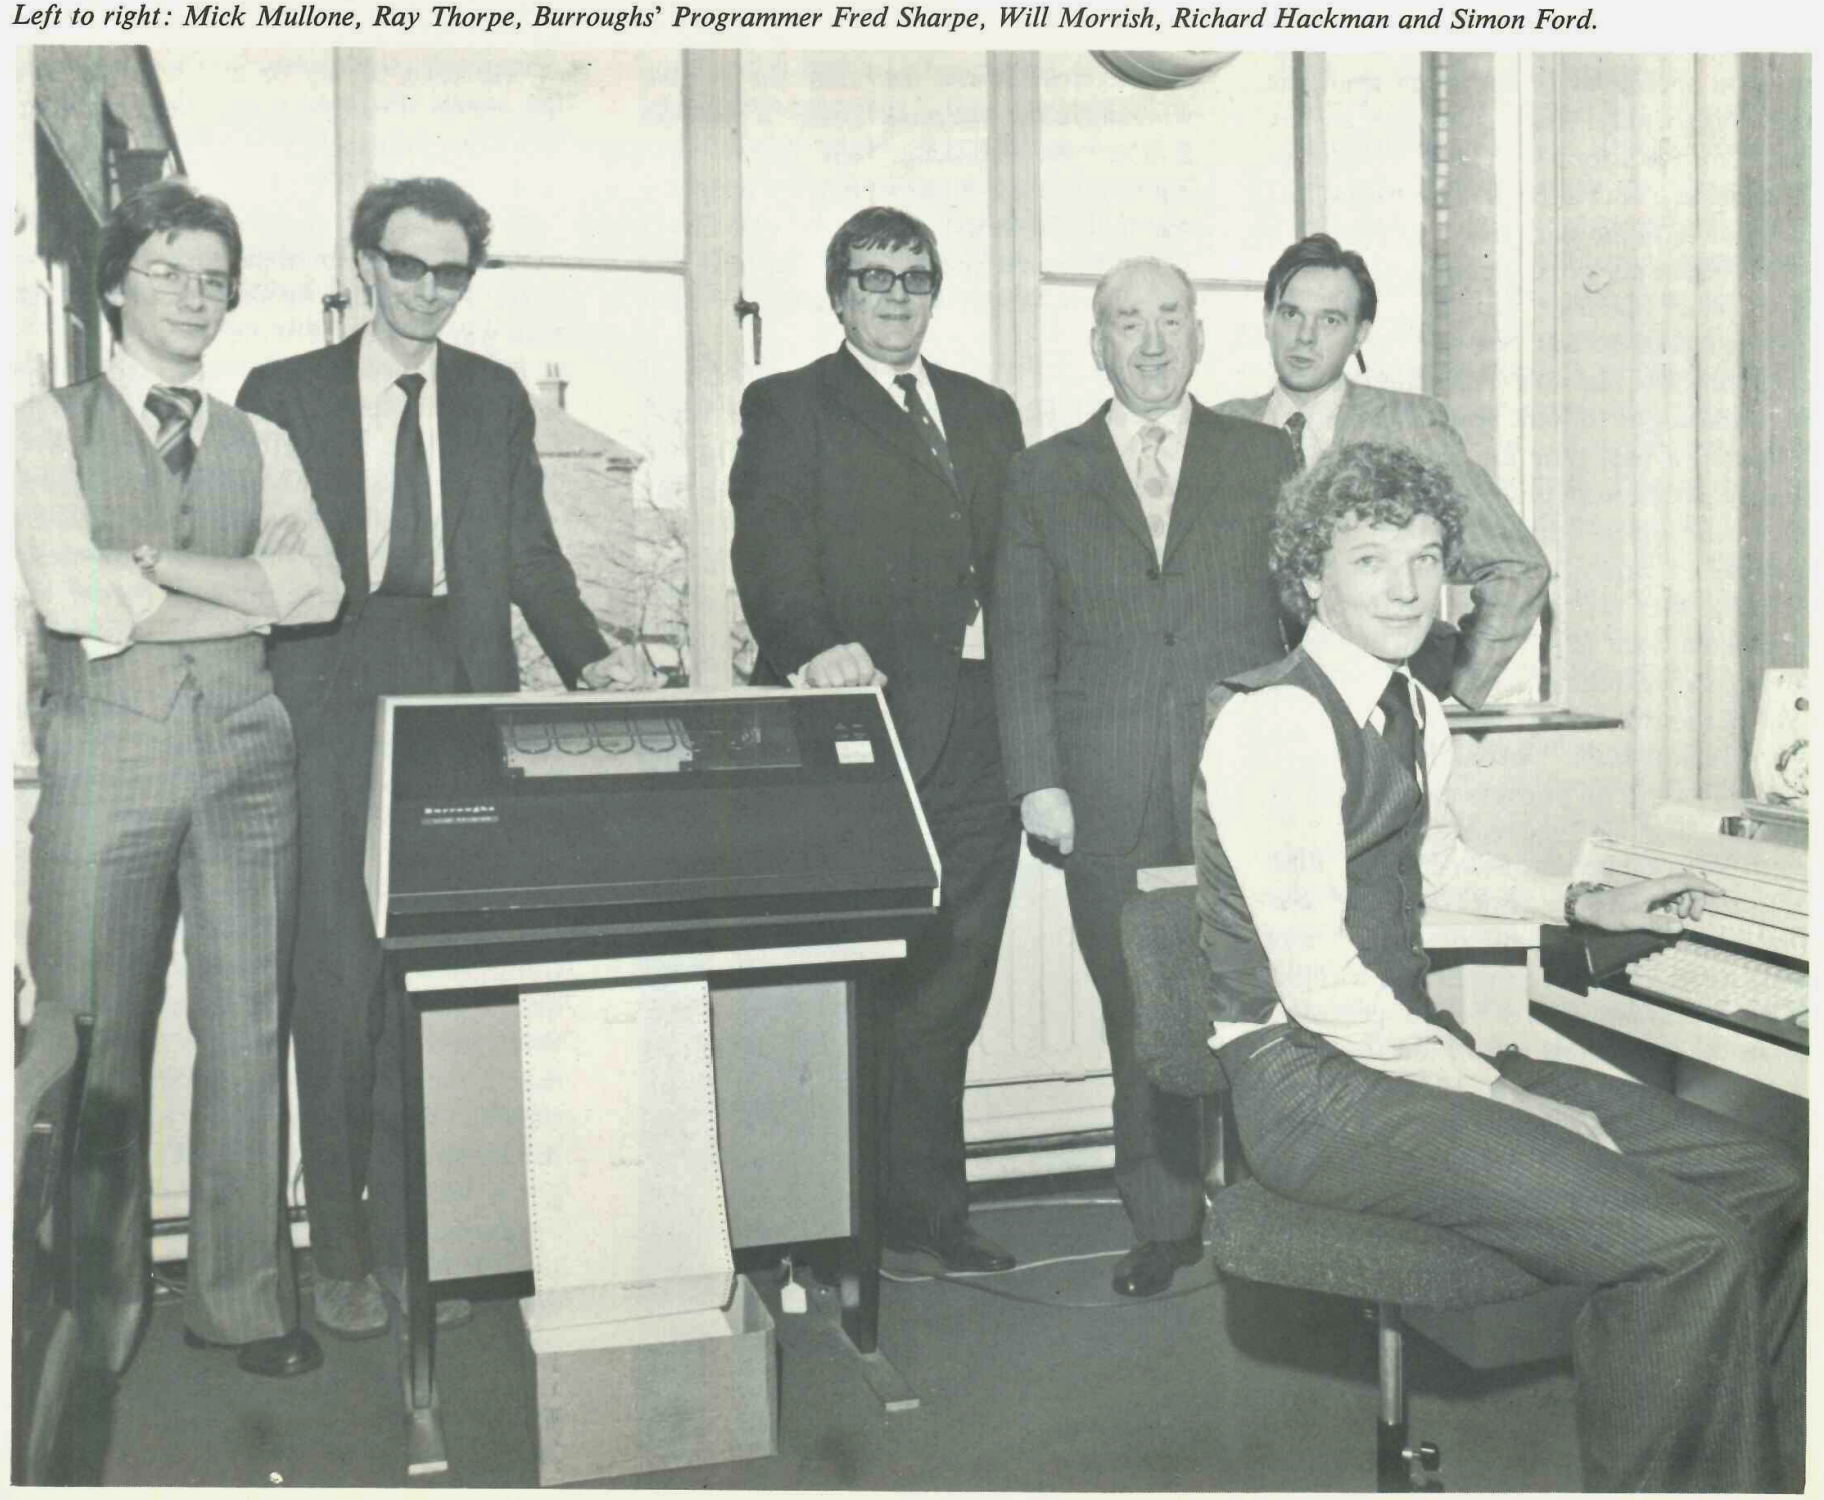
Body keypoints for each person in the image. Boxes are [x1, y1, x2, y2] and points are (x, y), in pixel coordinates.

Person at [1194, 440, 1805, 1492]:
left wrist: (1578, 902)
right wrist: (1510, 1098)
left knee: (1767, 1181)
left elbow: (1434, 865)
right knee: (1683, 1245)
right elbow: (1319, 982)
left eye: (1426, 558)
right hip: (1306, 1087)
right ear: (1310, 580)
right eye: (1371, 559)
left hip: (1405, 1057)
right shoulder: (1275, 722)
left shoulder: (1413, 706)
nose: (1406, 586)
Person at [237, 178, 615, 1339]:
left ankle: (419, 1244)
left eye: (452, 272)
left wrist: (594, 663)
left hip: (462, 688)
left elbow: (531, 553)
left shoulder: (494, 397)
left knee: (438, 976)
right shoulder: (282, 393)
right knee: (336, 973)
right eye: (408, 265)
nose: (428, 290)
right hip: (327, 681)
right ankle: (340, 1250)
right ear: (365, 263)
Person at [15, 180, 345, 1378]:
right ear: (115, 286)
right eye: (168, 272)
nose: (195, 297)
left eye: (214, 279)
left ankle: (243, 1303)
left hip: (251, 752)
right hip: (108, 751)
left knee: (248, 1026)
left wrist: (158, 569)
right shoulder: (43, 426)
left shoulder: (264, 442)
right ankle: (90, 1317)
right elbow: (72, 594)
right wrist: (239, 594)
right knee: (92, 1038)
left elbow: (318, 589)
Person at [729, 206, 1027, 1274]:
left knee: (951, 987)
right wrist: (814, 646)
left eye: (916, 277)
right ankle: (830, 1224)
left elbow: (1021, 562)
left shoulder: (987, 412)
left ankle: (927, 1211)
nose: (897, 295)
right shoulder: (790, 404)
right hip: (859, 733)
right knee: (854, 987)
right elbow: (767, 548)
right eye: (875, 277)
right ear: (839, 294)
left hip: (981, 735)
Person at [992, 258, 1294, 1298]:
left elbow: (1307, 620)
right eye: (1129, 322)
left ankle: (1272, 1218)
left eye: (1171, 318)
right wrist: (1037, 780)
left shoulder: (1266, 457)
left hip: (1245, 783)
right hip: (1105, 789)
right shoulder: (1042, 474)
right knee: (1139, 1015)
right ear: (1098, 344)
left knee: (1263, 1005)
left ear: (1200, 336)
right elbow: (1020, 643)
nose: (1153, 341)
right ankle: (1163, 1224)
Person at [1214, 233, 1549, 707]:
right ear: (1268, 319)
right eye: (1291, 314)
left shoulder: (1409, 425)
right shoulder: (1219, 430)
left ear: (1361, 334)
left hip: (1374, 715)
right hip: (1246, 707)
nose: (1305, 336)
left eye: (1331, 320)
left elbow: (1518, 566)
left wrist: (1456, 685)